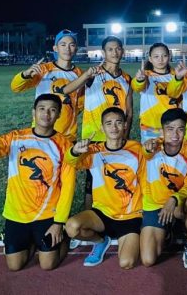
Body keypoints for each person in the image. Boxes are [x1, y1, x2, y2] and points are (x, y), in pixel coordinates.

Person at [0, 94, 75, 271]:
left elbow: (68, 187)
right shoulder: (16, 138)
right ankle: (32, 241)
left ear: (59, 115)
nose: (46, 114)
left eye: (52, 110)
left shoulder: (64, 145)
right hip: (17, 214)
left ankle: (64, 237)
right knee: (14, 266)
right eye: (42, 109)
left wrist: (59, 222)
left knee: (48, 265)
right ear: (34, 112)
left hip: (47, 215)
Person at [64, 107, 144, 269]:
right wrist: (74, 151)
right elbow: (72, 162)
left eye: (118, 122)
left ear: (125, 125)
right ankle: (100, 241)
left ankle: (136, 237)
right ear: (102, 127)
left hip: (131, 215)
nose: (114, 128)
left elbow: (147, 181)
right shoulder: (94, 151)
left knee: (126, 263)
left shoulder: (137, 149)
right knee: (72, 227)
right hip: (102, 214)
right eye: (109, 123)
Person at [139, 109, 187, 269]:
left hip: (178, 204)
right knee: (148, 260)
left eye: (180, 129)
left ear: (185, 130)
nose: (175, 134)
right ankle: (168, 232)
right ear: (162, 131)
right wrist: (147, 149)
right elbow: (146, 154)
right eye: (170, 129)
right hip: (155, 205)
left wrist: (174, 199)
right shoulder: (152, 147)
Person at [10, 29, 84, 141]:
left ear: (76, 49)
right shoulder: (43, 70)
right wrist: (25, 74)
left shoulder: (80, 74)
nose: (67, 49)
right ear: (55, 48)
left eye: (71, 45)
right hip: (41, 133)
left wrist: (68, 113)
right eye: (63, 44)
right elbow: (15, 87)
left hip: (68, 136)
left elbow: (80, 104)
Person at [64, 36, 133, 141]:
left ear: (122, 51)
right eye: (110, 49)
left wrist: (126, 135)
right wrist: (86, 75)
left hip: (116, 136)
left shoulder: (127, 78)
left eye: (118, 49)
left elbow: (129, 112)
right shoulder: (92, 74)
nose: (114, 52)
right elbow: (66, 90)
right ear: (103, 53)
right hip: (93, 136)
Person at [132, 43, 182, 143]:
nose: (160, 59)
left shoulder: (176, 75)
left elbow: (178, 95)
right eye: (156, 56)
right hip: (151, 127)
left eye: (164, 56)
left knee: (172, 157)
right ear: (150, 59)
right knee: (151, 156)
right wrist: (139, 80)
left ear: (169, 56)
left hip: (173, 127)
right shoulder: (145, 75)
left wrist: (178, 78)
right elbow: (136, 87)